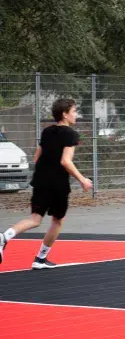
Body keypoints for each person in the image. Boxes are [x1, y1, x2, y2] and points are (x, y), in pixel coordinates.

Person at [0, 98, 93, 269]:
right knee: (57, 221)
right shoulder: (71, 134)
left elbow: (37, 157)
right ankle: (40, 259)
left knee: (35, 219)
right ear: (65, 114)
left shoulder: (47, 131)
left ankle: (4, 236)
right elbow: (66, 161)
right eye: (74, 111)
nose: (76, 115)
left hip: (40, 181)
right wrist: (83, 180)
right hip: (57, 184)